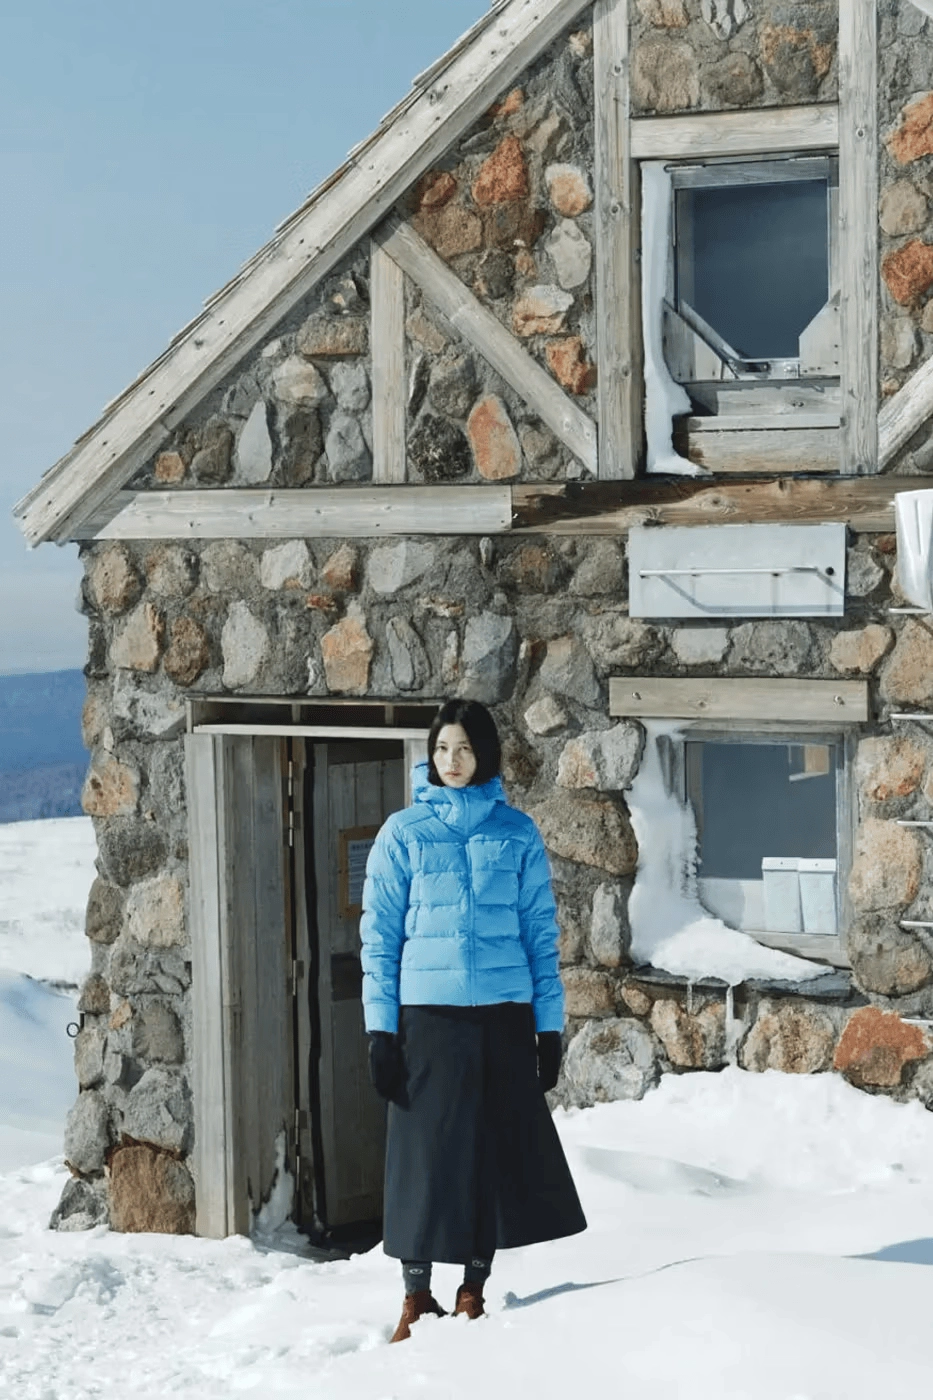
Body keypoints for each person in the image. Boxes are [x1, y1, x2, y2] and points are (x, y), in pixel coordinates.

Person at [360, 697, 586, 1343]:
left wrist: (548, 1028)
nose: (450, 761)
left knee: (487, 1151)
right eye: (440, 750)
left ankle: (472, 1288)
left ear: (484, 754)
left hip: (501, 1014)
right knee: (423, 1154)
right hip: (426, 1016)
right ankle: (413, 1294)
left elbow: (540, 935)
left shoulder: (515, 833)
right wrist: (381, 1030)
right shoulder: (403, 833)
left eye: (462, 749)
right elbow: (378, 940)